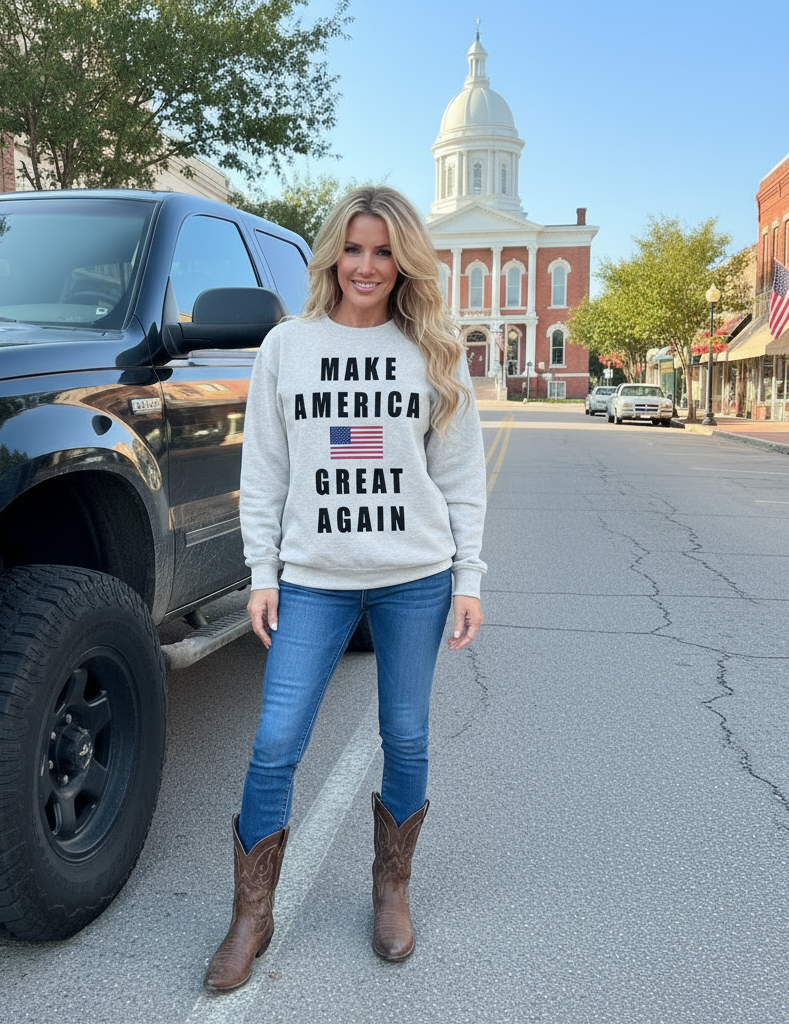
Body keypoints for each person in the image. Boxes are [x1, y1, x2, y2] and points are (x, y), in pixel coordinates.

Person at [203, 185, 486, 992]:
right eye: (354, 249)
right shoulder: (288, 346)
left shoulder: (434, 348)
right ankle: (250, 916)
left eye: (385, 251)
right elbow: (264, 471)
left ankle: (391, 887)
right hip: (315, 582)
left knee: (406, 734)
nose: (367, 266)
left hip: (415, 578)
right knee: (275, 743)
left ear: (405, 262)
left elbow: (460, 477)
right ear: (334, 255)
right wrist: (263, 572)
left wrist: (469, 578)